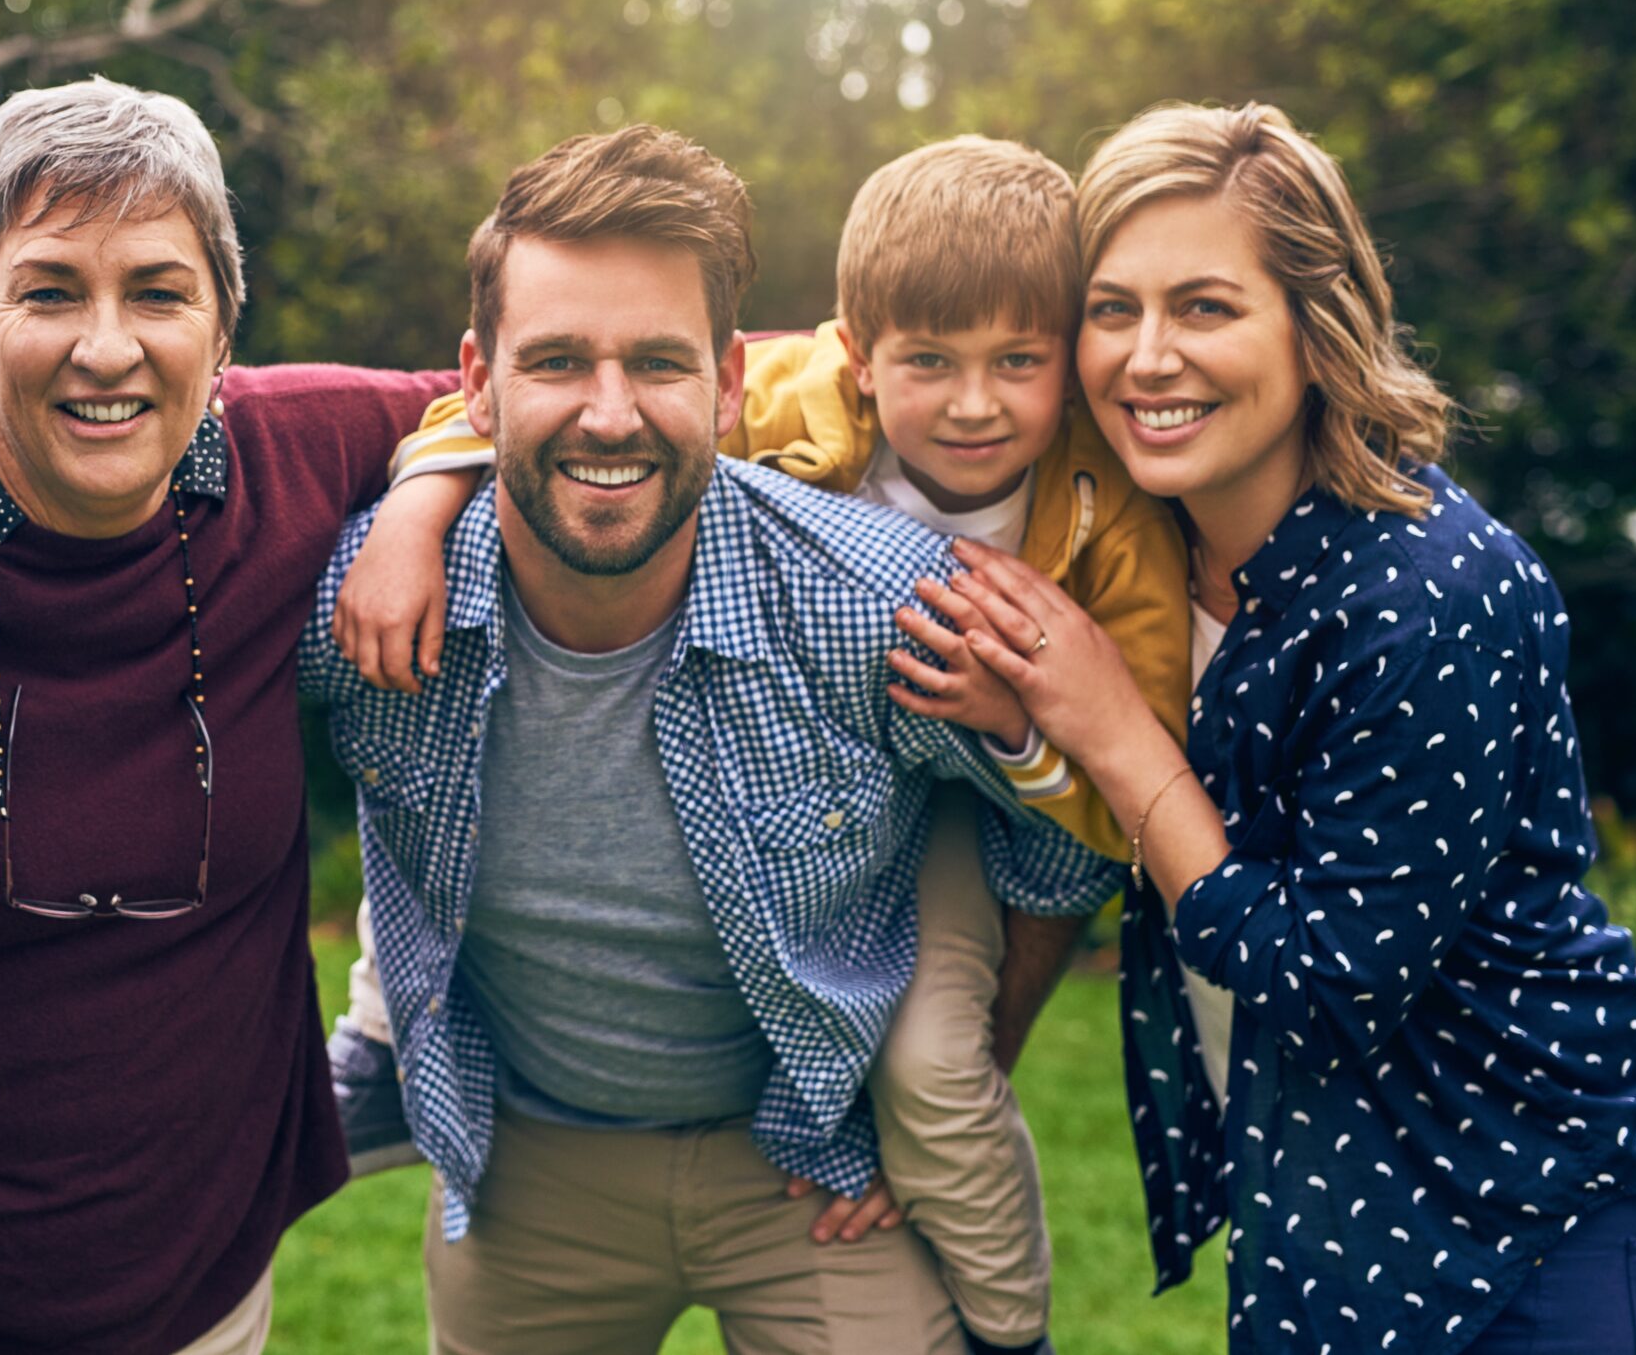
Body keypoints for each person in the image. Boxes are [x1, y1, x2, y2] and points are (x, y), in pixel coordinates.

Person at [332, 135, 1190, 1353]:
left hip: (836, 1095)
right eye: (930, 361)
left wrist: (1022, 740)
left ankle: (1010, 1325)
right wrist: (417, 504)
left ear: (723, 381)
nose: (973, 400)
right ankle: (375, 1047)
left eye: (1018, 361)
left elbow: (1091, 818)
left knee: (936, 1066)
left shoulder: (1036, 548)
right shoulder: (383, 599)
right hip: (532, 1159)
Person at [0, 77, 475, 1355]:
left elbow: (542, 380)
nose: (105, 345)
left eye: (157, 290)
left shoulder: (285, 453)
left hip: (198, 1296)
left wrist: (420, 495)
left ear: (221, 324)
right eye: (48, 290)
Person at [931, 102, 1636, 1354]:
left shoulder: (1429, 595)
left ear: (1315, 332)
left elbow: (1322, 980)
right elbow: (836, 350)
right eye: (1112, 309)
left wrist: (1112, 732)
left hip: (1530, 1213)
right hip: (1320, 1219)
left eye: (1204, 307)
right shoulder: (1143, 545)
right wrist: (456, 464)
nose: (1147, 356)